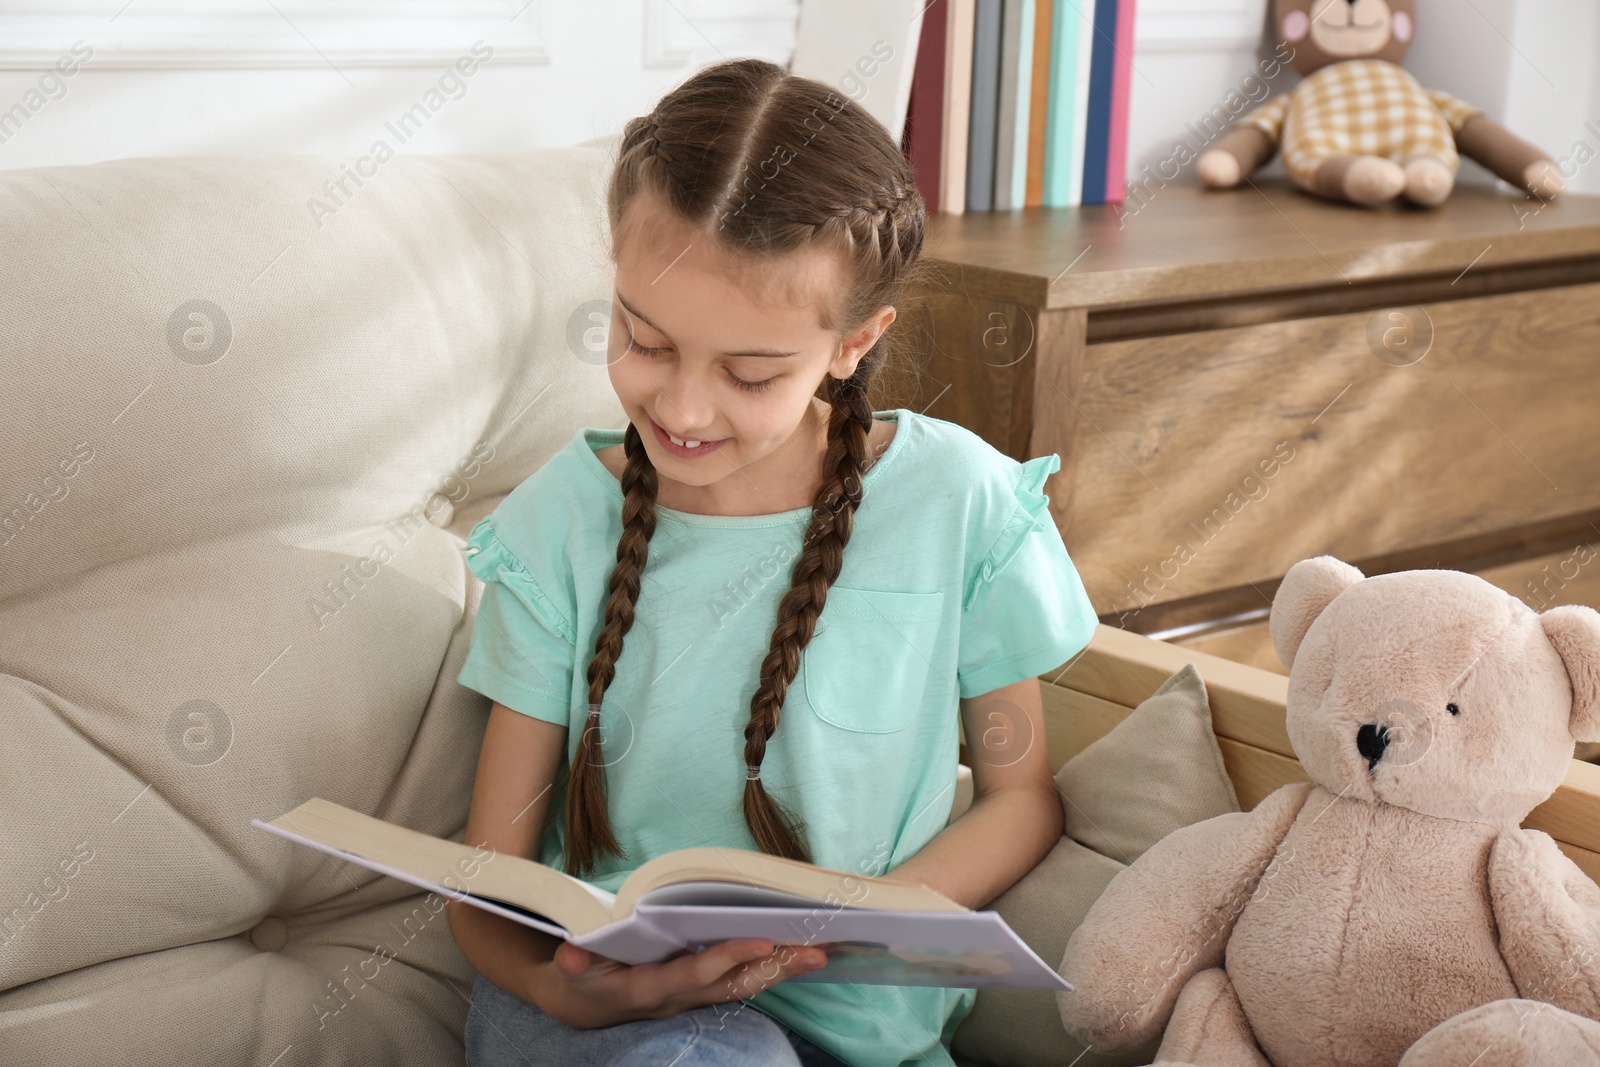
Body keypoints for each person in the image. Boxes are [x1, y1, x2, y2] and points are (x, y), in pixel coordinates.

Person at [447, 56, 1099, 1067]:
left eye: (750, 372)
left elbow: (1019, 794)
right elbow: (491, 876)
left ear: (852, 343)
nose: (682, 408)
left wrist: (857, 916)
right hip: (599, 1022)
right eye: (644, 340)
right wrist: (567, 995)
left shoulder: (956, 503)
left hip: (860, 1032)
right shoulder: (558, 526)